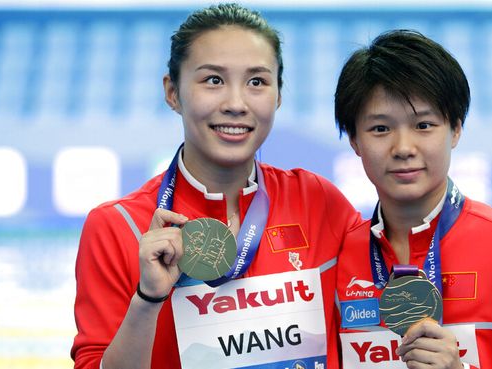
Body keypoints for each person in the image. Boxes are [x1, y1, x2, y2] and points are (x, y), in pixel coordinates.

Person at [71, 4, 361, 369]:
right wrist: (147, 300)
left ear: (279, 95)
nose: (236, 104)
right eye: (213, 80)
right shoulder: (118, 226)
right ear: (172, 92)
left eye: (257, 81)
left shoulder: (319, 202)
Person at [333, 30, 492, 369]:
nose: (403, 148)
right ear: (354, 139)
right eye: (380, 129)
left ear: (456, 129)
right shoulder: (336, 258)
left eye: (424, 125)